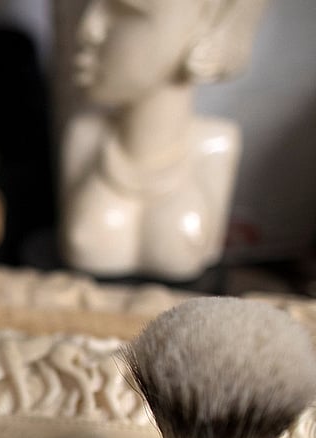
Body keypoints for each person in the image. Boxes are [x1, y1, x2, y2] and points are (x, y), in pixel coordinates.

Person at [60, 0, 268, 282]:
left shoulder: (217, 146)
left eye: (124, 10)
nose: (87, 30)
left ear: (205, 28)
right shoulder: (83, 135)